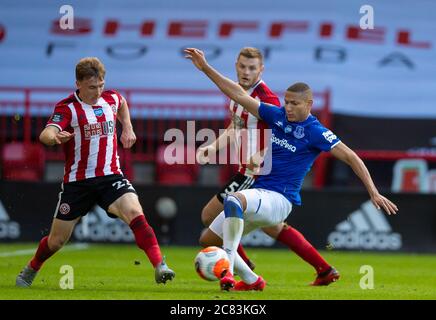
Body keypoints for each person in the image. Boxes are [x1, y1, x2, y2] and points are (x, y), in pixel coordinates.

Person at [185, 48, 398, 291]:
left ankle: (230, 273)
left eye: (294, 103)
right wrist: (205, 68)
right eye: (286, 102)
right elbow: (236, 94)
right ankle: (255, 281)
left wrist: (373, 191)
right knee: (208, 239)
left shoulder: (315, 132)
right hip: (260, 192)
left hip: (279, 199)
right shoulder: (277, 116)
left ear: (309, 104)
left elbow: (351, 157)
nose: (287, 107)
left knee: (233, 200)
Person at [15, 57, 175, 288]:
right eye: (92, 87)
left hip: (111, 176)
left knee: (133, 210)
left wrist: (127, 127)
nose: (98, 91)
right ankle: (32, 268)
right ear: (78, 84)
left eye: (101, 85)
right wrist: (55, 137)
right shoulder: (67, 108)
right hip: (77, 183)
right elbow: (46, 134)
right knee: (57, 240)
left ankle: (160, 265)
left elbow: (122, 103)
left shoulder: (110, 98)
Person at [197, 48, 339, 284]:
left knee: (209, 217)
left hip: (256, 173)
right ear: (236, 66)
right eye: (242, 66)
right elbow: (237, 126)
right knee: (274, 227)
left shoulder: (268, 100)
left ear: (261, 70)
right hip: (247, 170)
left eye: (252, 67)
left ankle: (241, 267)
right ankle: (323, 269)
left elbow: (285, 135)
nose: (246, 71)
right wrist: (214, 147)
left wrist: (262, 154)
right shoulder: (239, 94)